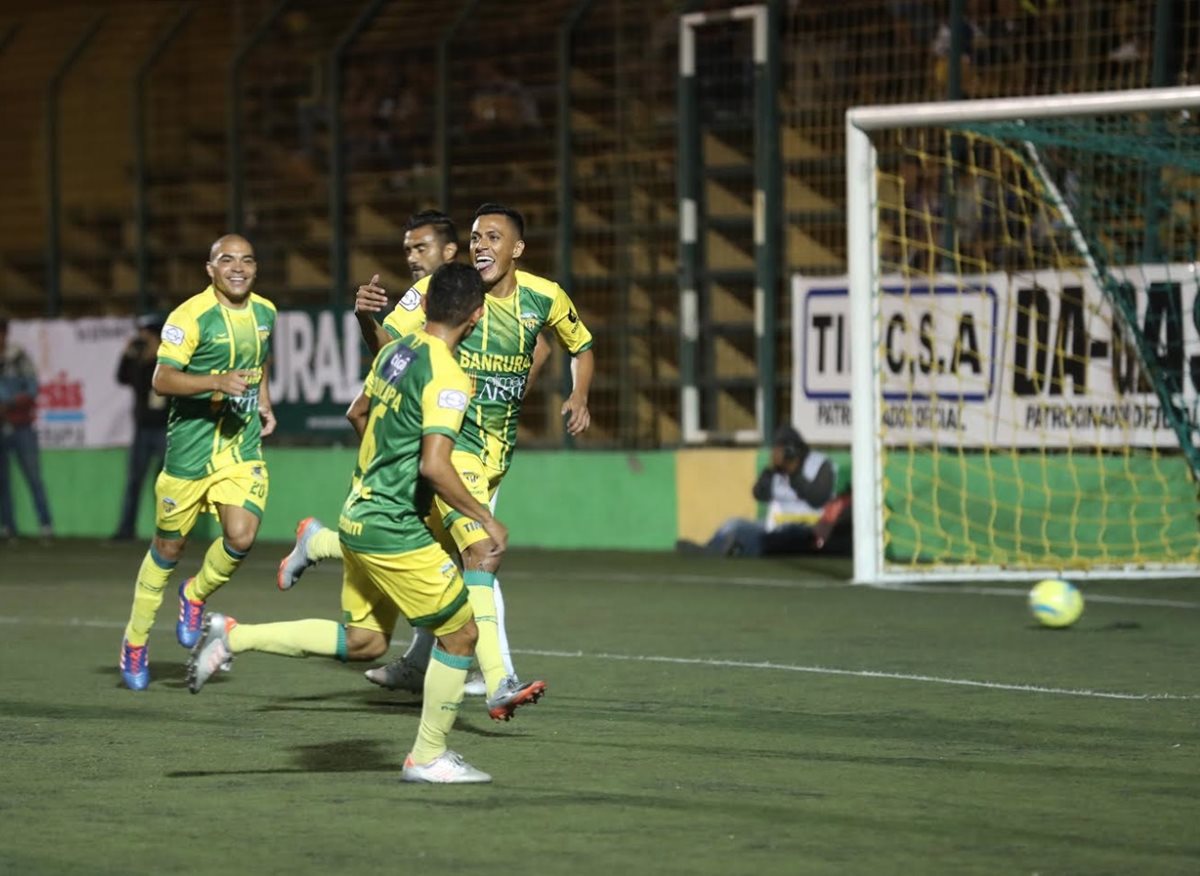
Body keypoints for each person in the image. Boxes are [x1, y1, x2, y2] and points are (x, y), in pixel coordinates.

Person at [188, 262, 542, 783]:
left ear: (423, 306)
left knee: (366, 644)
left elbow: (359, 414)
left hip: (358, 511)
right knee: (461, 635)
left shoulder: (397, 352)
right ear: (478, 313)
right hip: (393, 528)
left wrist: (385, 472)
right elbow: (435, 464)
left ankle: (231, 637)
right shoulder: (448, 374)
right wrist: (484, 516)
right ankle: (427, 757)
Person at [278, 202, 593, 701]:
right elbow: (392, 353)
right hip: (453, 446)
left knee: (432, 551)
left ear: (518, 248)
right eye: (476, 237)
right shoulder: (436, 296)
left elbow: (576, 345)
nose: (482, 245)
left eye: (493, 237)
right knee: (480, 553)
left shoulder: (543, 297)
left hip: (496, 453)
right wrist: (367, 320)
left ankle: (324, 550)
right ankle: (498, 679)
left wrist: (577, 394)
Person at [118, 234, 277, 691]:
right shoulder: (188, 317)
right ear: (210, 268)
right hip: (188, 453)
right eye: (227, 260)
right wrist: (215, 381)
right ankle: (134, 641)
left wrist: (263, 402)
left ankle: (196, 593)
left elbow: (259, 363)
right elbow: (162, 378)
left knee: (242, 536)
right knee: (167, 550)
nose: (238, 267)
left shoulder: (266, 311)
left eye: (247, 259)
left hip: (239, 446)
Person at [676, 425, 852, 558]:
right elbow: (758, 494)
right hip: (774, 525)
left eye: (784, 449)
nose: (780, 453)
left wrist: (794, 473)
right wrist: (771, 470)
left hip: (809, 527)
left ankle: (736, 548)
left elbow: (817, 499)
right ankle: (711, 547)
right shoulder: (776, 470)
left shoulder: (820, 464)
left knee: (777, 538)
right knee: (733, 523)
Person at [111, 314, 169, 542]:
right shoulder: (139, 361)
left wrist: (151, 358)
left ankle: (168, 532)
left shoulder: (167, 360)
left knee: (166, 485)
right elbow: (122, 378)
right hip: (142, 428)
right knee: (134, 480)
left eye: (145, 334)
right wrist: (128, 355)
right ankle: (126, 529)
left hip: (164, 428)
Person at [0, 316, 53, 541]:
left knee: (33, 476)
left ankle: (45, 525)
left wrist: (9, 403)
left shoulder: (18, 357)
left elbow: (32, 389)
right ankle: (8, 527)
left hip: (21, 425)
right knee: (2, 481)